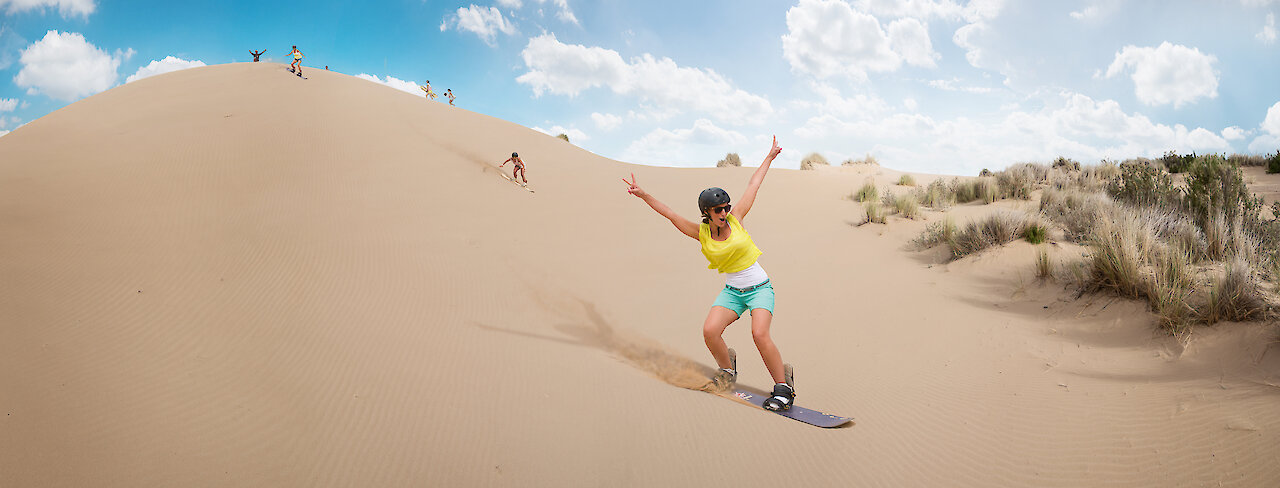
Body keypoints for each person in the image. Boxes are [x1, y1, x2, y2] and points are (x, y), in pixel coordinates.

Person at [622, 136, 795, 411]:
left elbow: (753, 184)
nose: (724, 212)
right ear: (707, 213)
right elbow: (669, 213)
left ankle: (783, 388)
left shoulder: (737, 218)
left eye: (726, 207)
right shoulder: (701, 233)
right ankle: (726, 371)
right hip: (733, 292)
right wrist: (644, 195)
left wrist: (770, 157)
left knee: (759, 334)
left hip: (760, 288)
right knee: (710, 331)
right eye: (718, 209)